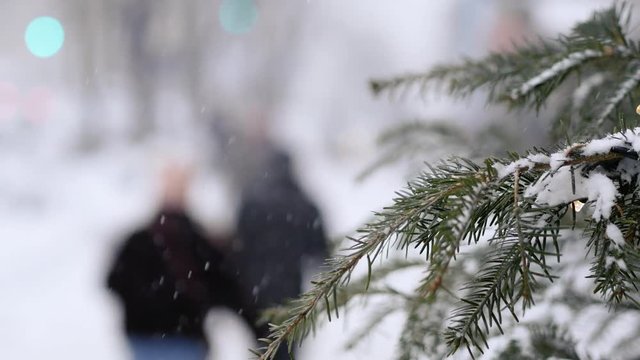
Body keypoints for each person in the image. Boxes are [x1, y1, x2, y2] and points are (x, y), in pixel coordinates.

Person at [106, 162, 239, 360]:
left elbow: (113, 282)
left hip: (146, 338)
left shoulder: (138, 239)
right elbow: (226, 285)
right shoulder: (198, 240)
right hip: (183, 338)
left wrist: (141, 305)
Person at [231, 148, 329, 359]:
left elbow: (237, 245)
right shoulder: (303, 202)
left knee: (260, 344)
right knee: (286, 345)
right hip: (290, 288)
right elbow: (320, 250)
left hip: (255, 289)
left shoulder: (252, 199)